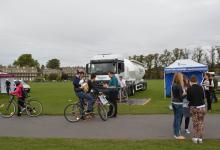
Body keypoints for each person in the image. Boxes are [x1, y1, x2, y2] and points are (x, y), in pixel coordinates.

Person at [187, 75, 206, 144]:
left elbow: (188, 99)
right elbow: (203, 97)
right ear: (196, 81)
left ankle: (195, 138)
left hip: (194, 107)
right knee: (200, 123)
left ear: (190, 81)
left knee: (195, 123)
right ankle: (200, 138)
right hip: (202, 107)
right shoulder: (201, 87)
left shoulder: (189, 88)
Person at [171, 72, 185, 140]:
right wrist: (185, 94)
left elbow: (174, 95)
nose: (182, 78)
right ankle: (177, 135)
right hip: (179, 104)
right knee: (178, 119)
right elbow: (181, 97)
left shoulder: (173, 84)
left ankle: (175, 133)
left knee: (176, 118)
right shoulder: (179, 86)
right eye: (182, 77)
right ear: (180, 78)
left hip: (174, 102)